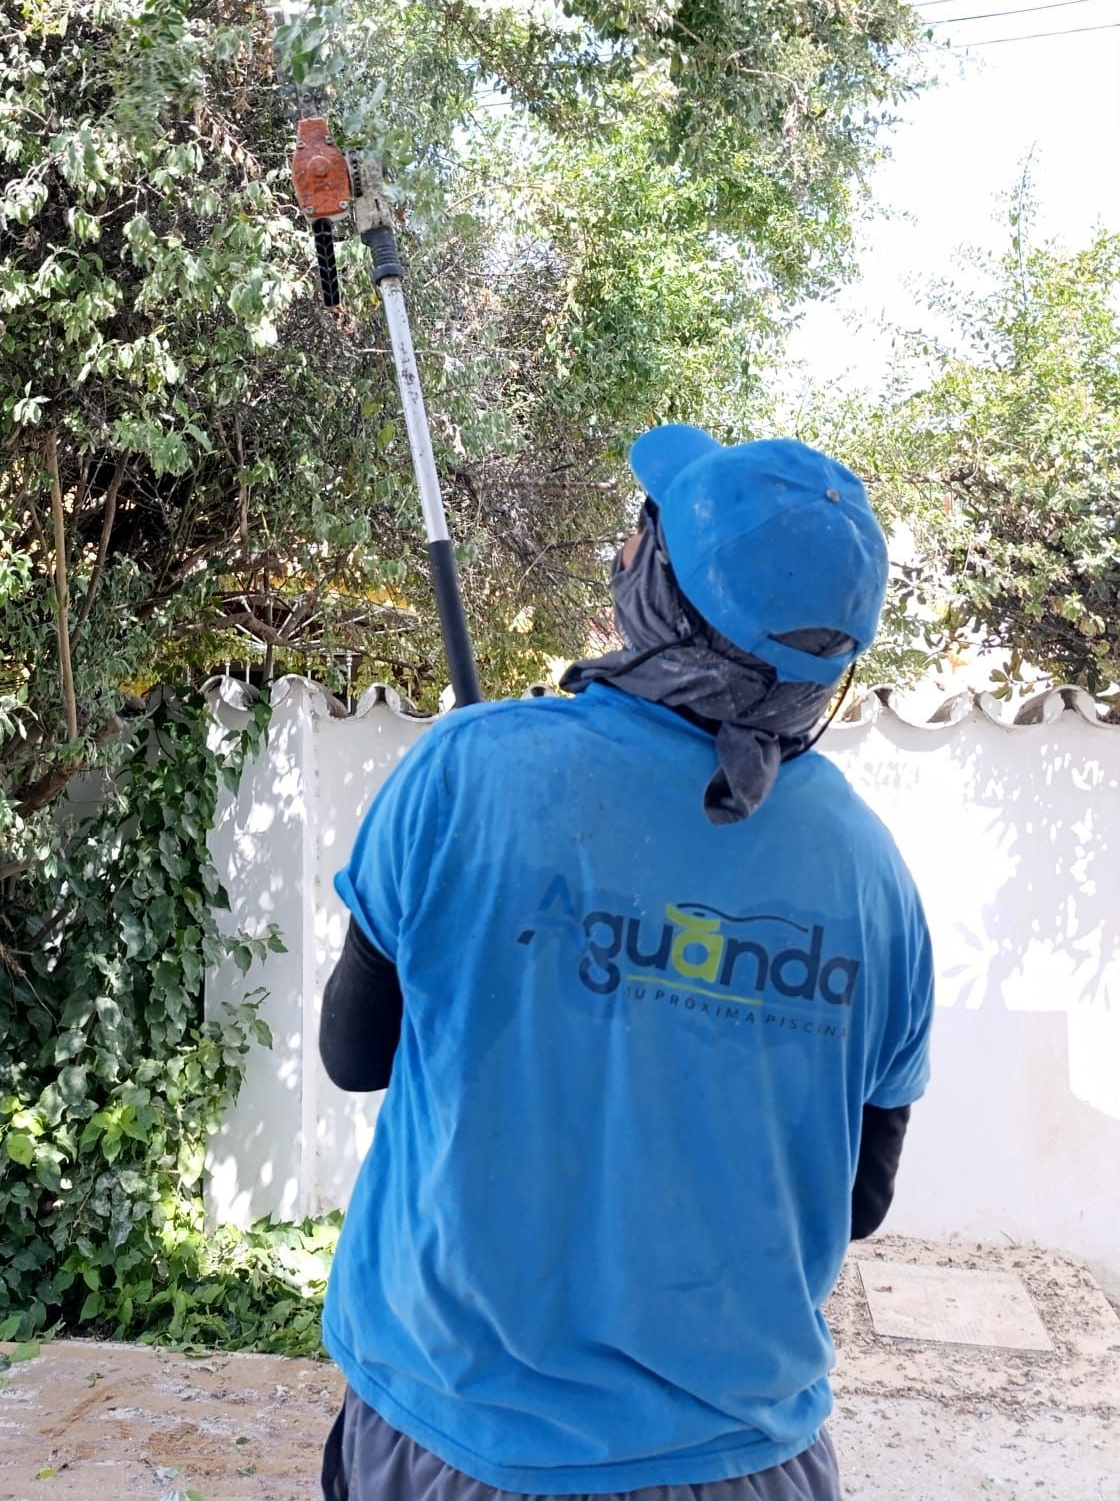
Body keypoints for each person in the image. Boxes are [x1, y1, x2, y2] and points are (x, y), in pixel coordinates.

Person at [317, 426, 934, 1501]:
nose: (622, 548)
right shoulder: (873, 875)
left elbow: (352, 1055)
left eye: (644, 532)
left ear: (661, 595)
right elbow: (860, 1201)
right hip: (747, 1460)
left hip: (460, 1440)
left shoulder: (468, 771)